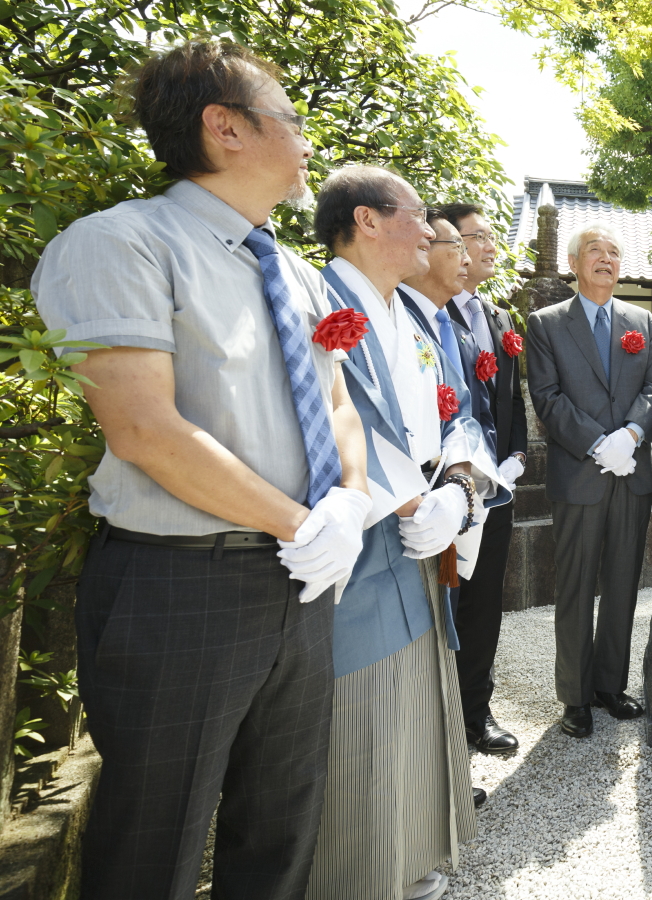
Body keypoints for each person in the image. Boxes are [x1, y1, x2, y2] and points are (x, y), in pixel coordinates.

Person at [31, 40, 370, 899]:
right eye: (289, 117)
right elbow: (145, 427)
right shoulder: (119, 243)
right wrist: (302, 523)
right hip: (182, 584)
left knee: (280, 829)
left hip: (300, 581)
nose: (304, 138)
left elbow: (337, 405)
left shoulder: (294, 270)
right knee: (154, 845)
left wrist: (349, 509)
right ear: (225, 128)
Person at [314, 167, 510, 900]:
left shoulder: (418, 314)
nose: (432, 233)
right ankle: (361, 876)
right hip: (359, 538)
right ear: (367, 222)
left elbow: (456, 410)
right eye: (419, 217)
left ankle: (416, 856)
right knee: (363, 707)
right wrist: (408, 501)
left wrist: (460, 485)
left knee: (424, 696)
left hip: (428, 527)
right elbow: (333, 419)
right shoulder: (318, 298)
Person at [526, 223, 652, 738]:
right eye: (594, 251)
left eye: (613, 252)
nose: (605, 259)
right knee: (577, 584)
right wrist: (597, 442)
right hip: (580, 472)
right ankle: (575, 695)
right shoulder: (546, 323)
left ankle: (611, 684)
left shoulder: (640, 320)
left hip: (631, 472)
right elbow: (547, 396)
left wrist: (630, 435)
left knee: (624, 582)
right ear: (574, 263)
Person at [439, 201, 529, 755]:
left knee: (484, 605)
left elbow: (510, 400)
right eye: (480, 237)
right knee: (449, 600)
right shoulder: (428, 311)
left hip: (497, 489)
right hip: (449, 489)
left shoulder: (498, 318)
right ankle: (443, 721)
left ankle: (477, 711)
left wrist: (516, 454)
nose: (492, 247)